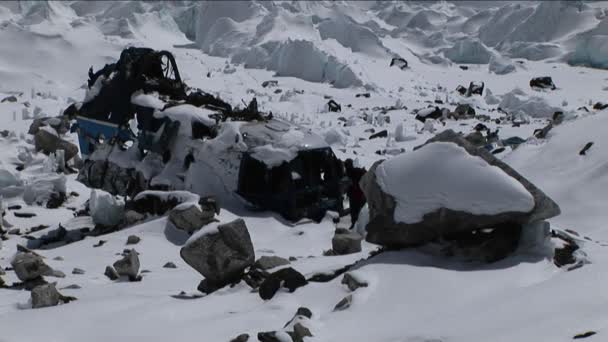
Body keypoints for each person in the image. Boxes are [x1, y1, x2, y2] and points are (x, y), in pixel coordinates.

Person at [344, 159, 366, 229]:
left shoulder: (353, 172)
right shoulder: (356, 171)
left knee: (355, 210)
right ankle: (355, 224)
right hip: (358, 194)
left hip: (357, 194)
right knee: (357, 210)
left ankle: (355, 224)